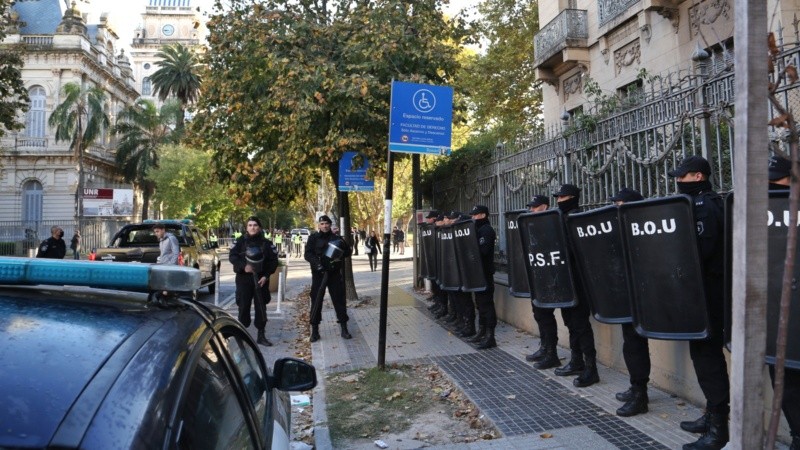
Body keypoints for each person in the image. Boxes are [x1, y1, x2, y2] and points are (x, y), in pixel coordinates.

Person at [667, 156, 729, 450]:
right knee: (705, 358)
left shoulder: (705, 206)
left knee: (708, 358)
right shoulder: (707, 203)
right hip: (705, 293)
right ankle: (712, 415)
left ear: (697, 176)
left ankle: (718, 429)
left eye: (681, 177)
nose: (677, 182)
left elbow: (700, 251)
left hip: (708, 293)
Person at [552, 183, 600, 388]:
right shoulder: (559, 219)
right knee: (570, 323)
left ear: (571, 198)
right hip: (565, 281)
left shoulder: (579, 220)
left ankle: (591, 368)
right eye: (558, 198)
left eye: (562, 198)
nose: (558, 201)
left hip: (579, 282)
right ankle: (576, 360)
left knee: (581, 325)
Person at [608, 187, 651, 417]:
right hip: (627, 294)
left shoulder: (644, 226)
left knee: (635, 344)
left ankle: (640, 395)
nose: (617, 208)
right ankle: (637, 387)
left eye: (620, 204)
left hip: (644, 295)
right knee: (631, 343)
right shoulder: (620, 226)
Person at [767, 155, 800, 450]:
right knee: (782, 377)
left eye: (777, 180)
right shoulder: (759, 209)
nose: (770, 186)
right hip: (774, 305)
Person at [522, 195, 562, 370]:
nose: (532, 210)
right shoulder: (533, 222)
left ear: (544, 207)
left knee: (546, 316)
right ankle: (544, 347)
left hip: (551, 277)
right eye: (531, 207)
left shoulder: (552, 222)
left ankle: (551, 353)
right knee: (539, 314)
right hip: (539, 276)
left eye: (535, 207)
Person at [229, 216, 278, 347]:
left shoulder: (266, 243)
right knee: (243, 307)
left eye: (255, 225)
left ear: (259, 227)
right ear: (246, 228)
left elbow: (273, 261)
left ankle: (261, 336)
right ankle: (242, 337)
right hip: (244, 279)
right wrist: (243, 266)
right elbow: (232, 256)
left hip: (260, 280)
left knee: (261, 308)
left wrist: (266, 276)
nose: (252, 227)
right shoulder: (240, 242)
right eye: (250, 225)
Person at [305, 215, 353, 342]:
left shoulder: (336, 238)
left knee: (339, 300)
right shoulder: (313, 238)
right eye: (322, 224)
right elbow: (307, 254)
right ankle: (314, 330)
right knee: (316, 301)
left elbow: (347, 252)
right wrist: (317, 264)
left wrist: (343, 246)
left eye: (327, 223)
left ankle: (344, 328)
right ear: (319, 225)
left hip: (334, 274)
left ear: (330, 224)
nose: (324, 226)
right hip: (318, 275)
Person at [467, 205, 498, 350]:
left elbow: (483, 251)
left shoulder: (486, 230)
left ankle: (490, 336)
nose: (473, 217)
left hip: (485, 273)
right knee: (480, 304)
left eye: (475, 215)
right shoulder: (478, 230)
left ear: (483, 215)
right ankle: (482, 331)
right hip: (477, 273)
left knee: (486, 305)